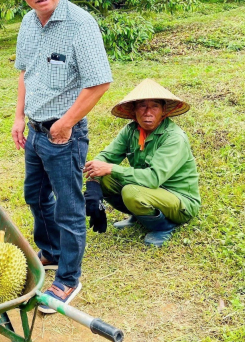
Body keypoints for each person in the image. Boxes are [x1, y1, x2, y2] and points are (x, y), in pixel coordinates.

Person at [9, 0, 112, 313]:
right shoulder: (27, 23)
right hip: (35, 131)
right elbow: (25, 72)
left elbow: (99, 83)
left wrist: (64, 124)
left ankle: (68, 278)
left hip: (63, 134)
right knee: (35, 196)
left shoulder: (80, 24)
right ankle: (51, 252)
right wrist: (19, 117)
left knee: (69, 208)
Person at [83, 79, 201, 247]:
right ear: (134, 110)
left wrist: (111, 168)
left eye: (154, 106)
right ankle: (139, 216)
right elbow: (105, 158)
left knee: (131, 192)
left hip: (179, 200)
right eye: (142, 106)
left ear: (163, 112)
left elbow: (153, 178)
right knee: (105, 177)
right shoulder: (131, 131)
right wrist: (94, 187)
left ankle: (163, 227)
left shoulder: (174, 138)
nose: (148, 112)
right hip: (149, 189)